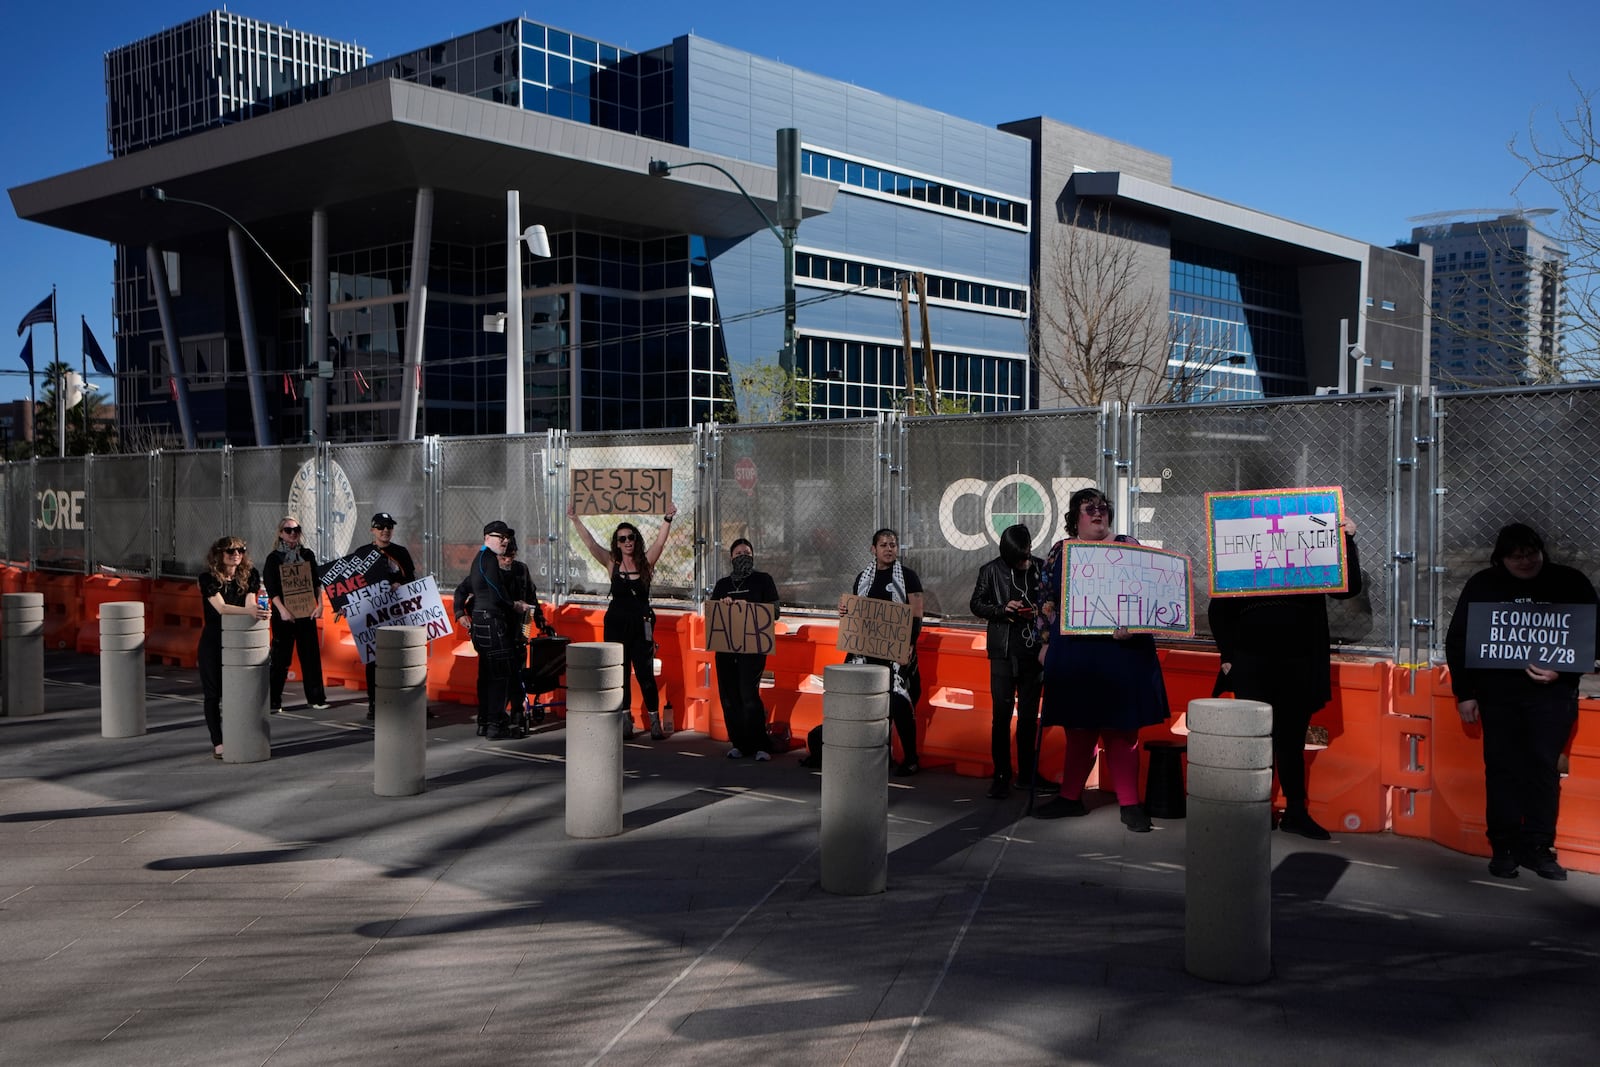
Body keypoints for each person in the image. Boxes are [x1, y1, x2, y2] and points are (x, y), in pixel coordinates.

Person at [1444, 523, 1598, 881]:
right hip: (1499, 695)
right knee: (1502, 770)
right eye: (1516, 556)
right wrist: (1464, 693)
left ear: (1541, 551)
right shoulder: (1484, 584)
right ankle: (1503, 847)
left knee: (1543, 770)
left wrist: (1562, 668)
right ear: (1502, 558)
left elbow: (1593, 634)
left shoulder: (1570, 582)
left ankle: (1538, 847)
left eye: (1531, 553)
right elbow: (1459, 640)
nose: (1525, 561)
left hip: (1552, 696)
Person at [1208, 515, 1363, 840]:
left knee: (1290, 739)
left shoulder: (1310, 563)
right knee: (1255, 739)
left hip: (1298, 659)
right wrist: (1228, 658)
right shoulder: (1246, 562)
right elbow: (1218, 609)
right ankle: (1256, 810)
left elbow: (1348, 589)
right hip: (1252, 659)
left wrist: (1346, 540)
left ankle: (1295, 811)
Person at [1033, 488, 1169, 830]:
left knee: (1122, 730)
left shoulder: (1128, 545)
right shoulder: (1061, 551)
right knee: (1079, 728)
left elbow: (1149, 593)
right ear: (1074, 518)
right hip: (1077, 652)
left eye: (1103, 508)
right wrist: (1044, 642)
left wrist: (1135, 627)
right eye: (1089, 508)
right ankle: (1070, 798)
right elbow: (1046, 599)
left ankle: (1130, 804)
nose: (1098, 513)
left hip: (1121, 652)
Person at [569, 501, 679, 740]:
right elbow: (590, 544)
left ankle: (654, 720)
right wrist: (575, 519)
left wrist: (667, 518)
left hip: (640, 626)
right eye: (622, 539)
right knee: (620, 673)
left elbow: (660, 542)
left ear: (636, 540)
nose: (627, 542)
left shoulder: (645, 563)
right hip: (616, 625)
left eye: (631, 537)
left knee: (644, 673)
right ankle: (626, 721)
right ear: (616, 544)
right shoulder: (612, 562)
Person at [839, 528, 924, 776]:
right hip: (867, 654)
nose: (889, 549)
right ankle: (878, 758)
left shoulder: (908, 577)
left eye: (893, 545)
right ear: (873, 549)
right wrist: (845, 611)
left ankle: (910, 758)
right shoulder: (862, 578)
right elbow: (856, 613)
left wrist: (909, 645)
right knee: (871, 708)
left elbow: (917, 615)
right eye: (884, 545)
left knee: (899, 705)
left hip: (898, 655)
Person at [970, 523, 1045, 800]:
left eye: (1025, 556)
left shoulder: (1039, 567)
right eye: (1018, 558)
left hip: (1032, 653)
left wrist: (1037, 611)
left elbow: (1053, 602)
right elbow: (976, 604)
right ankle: (1001, 774)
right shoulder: (991, 570)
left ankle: (1027, 773)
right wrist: (1003, 609)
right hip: (1002, 652)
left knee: (1028, 717)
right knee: (1000, 717)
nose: (1023, 562)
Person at [453, 521, 539, 740]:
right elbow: (495, 594)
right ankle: (495, 723)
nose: (505, 543)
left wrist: (535, 617)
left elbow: (529, 597)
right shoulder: (488, 560)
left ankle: (492, 721)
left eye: (508, 540)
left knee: (494, 674)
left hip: (497, 625)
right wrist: (514, 605)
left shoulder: (499, 564)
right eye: (500, 538)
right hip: (494, 624)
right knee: (498, 676)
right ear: (487, 538)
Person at [196, 536, 271, 758]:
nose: (236, 554)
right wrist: (250, 612)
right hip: (213, 641)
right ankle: (218, 742)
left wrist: (259, 610)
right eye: (230, 551)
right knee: (213, 694)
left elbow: (250, 604)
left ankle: (237, 735)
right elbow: (221, 608)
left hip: (237, 642)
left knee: (236, 692)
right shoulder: (207, 578)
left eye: (240, 550)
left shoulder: (250, 574)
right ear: (219, 554)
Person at [710, 538, 782, 761]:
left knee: (748, 694)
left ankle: (760, 744)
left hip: (753, 648)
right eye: (739, 552)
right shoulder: (722, 584)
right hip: (726, 649)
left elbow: (775, 612)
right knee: (729, 696)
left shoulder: (763, 580)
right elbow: (713, 613)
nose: (743, 555)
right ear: (731, 557)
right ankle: (739, 743)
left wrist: (749, 608)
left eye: (747, 552)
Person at [263, 516, 328, 714]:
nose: (293, 533)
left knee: (310, 657)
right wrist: (282, 610)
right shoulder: (273, 558)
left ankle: (316, 698)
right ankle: (273, 701)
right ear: (281, 534)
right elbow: (271, 587)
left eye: (296, 530)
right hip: (284, 615)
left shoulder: (308, 554)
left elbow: (317, 582)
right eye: (288, 530)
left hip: (305, 613)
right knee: (280, 658)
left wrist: (320, 605)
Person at [363, 512, 416, 721]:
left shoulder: (401, 552)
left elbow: (411, 579)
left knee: (401, 656)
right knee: (373, 660)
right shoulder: (363, 553)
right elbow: (351, 585)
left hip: (398, 615)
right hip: (372, 617)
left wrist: (399, 584)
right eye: (381, 526)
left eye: (389, 527)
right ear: (372, 530)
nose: (385, 530)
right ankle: (374, 703)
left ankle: (405, 701)